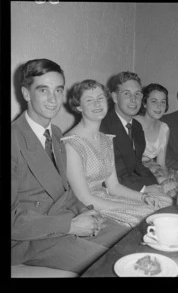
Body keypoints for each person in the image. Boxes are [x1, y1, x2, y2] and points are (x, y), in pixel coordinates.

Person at [11, 59, 129, 275]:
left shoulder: (55, 134)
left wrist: (86, 212)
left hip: (65, 220)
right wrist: (70, 226)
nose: (53, 99)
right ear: (26, 94)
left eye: (58, 90)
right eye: (43, 90)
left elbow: (64, 192)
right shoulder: (13, 140)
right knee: (115, 266)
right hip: (31, 240)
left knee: (132, 240)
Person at [62, 80, 172, 228]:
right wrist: (132, 208)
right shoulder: (71, 144)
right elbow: (84, 198)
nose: (97, 104)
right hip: (87, 208)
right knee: (147, 219)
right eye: (89, 100)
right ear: (78, 106)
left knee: (164, 203)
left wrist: (144, 197)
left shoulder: (106, 140)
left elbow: (113, 187)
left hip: (107, 197)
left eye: (100, 98)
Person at [100, 71, 167, 195]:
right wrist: (144, 189)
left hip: (130, 183)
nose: (133, 99)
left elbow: (138, 165)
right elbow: (111, 177)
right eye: (126, 93)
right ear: (114, 97)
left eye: (137, 94)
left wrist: (156, 184)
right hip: (110, 191)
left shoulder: (136, 127)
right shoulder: (103, 127)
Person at [134, 83, 178, 198]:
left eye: (163, 102)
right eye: (154, 101)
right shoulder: (134, 123)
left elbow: (161, 163)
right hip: (136, 170)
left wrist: (165, 179)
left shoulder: (164, 128)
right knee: (170, 190)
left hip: (155, 169)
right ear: (144, 103)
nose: (159, 106)